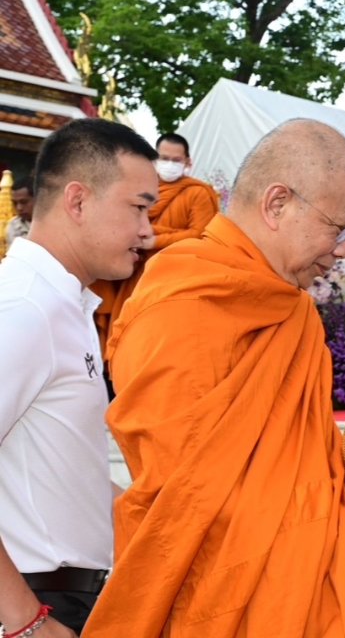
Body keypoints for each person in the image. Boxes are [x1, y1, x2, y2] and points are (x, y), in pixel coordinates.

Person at [82, 119, 345, 637]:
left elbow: (301, 477)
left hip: (296, 597)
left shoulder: (289, 310)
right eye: (337, 228)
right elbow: (191, 511)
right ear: (277, 204)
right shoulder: (184, 304)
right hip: (212, 605)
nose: (343, 250)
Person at [0, 119, 159, 636]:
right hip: (32, 602)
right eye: (138, 207)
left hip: (64, 596)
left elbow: (58, 468)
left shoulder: (63, 304)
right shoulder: (25, 305)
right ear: (77, 201)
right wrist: (25, 620)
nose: (148, 232)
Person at [90, 132, 220, 362]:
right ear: (154, 159)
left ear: (188, 162)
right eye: (164, 158)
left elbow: (203, 237)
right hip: (134, 273)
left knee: (158, 342)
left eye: (176, 160)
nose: (169, 164)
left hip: (174, 278)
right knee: (125, 332)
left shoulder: (198, 193)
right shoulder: (141, 190)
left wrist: (155, 240)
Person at [4, 176, 33, 247]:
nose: (19, 208)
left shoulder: (54, 222)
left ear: (37, 199)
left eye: (24, 202)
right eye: (15, 203)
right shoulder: (13, 226)